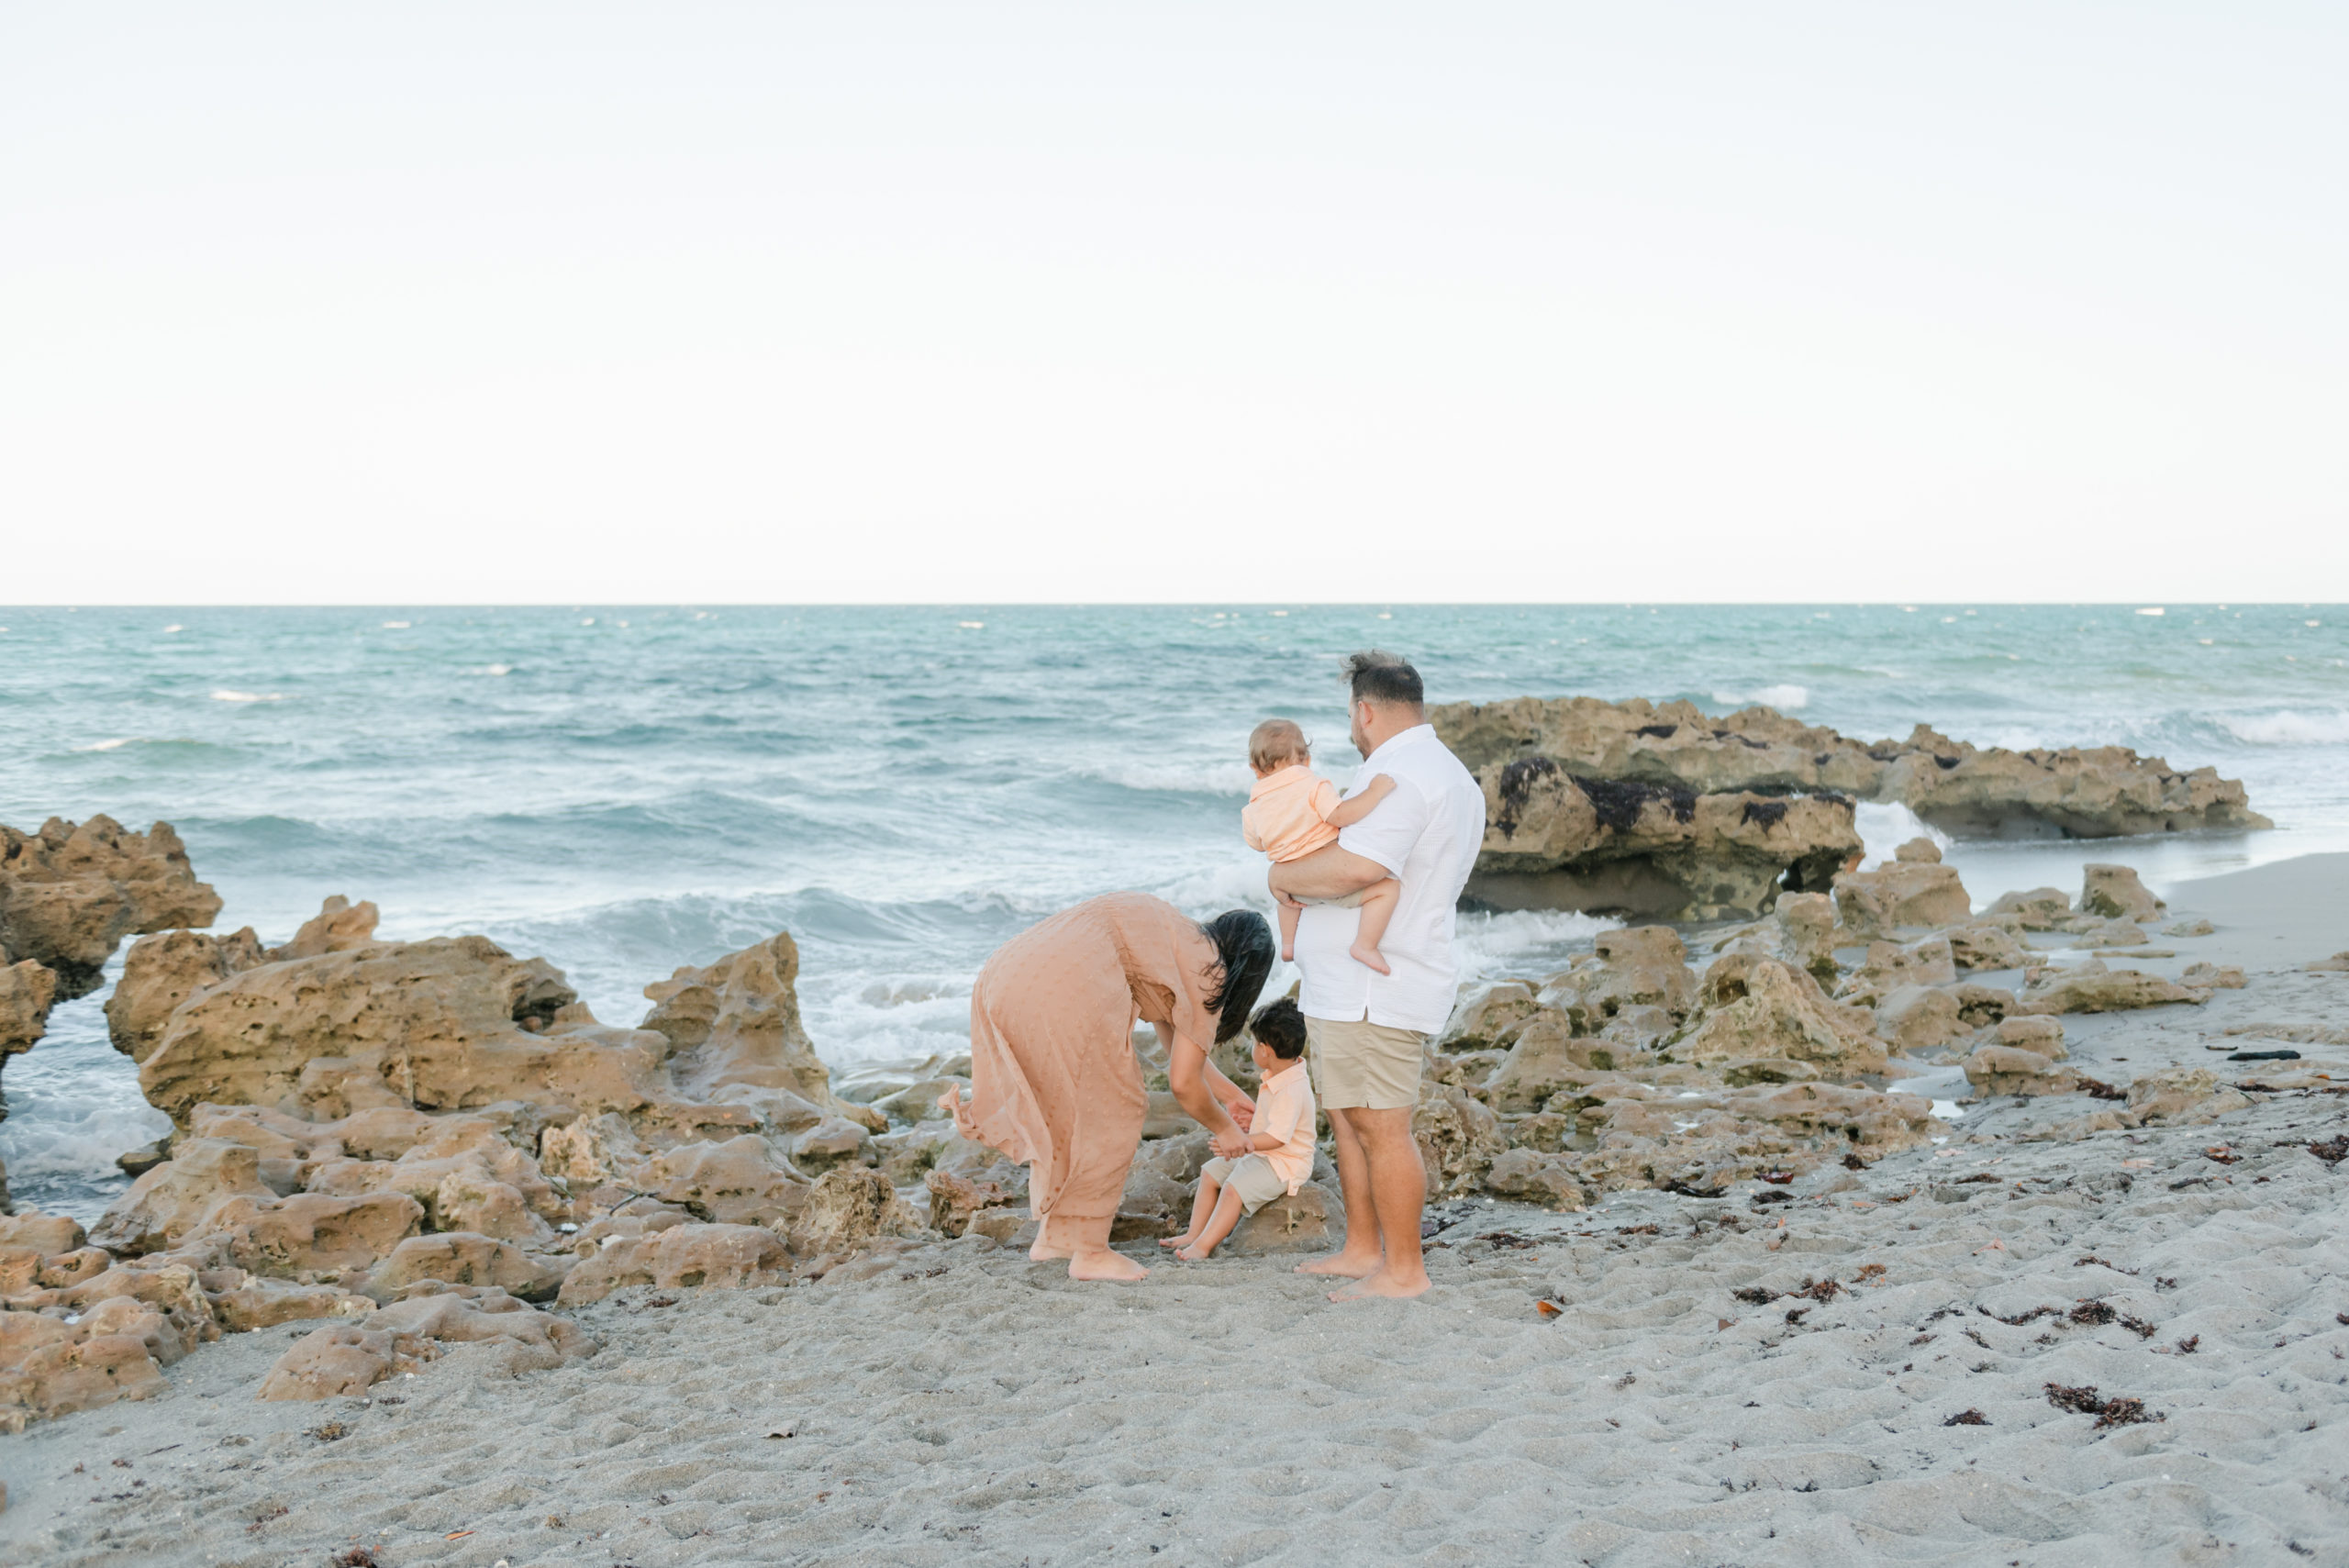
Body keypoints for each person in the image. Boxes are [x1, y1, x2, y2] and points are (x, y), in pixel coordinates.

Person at [1270, 651, 1486, 1301]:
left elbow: (1358, 869)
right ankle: (1364, 1247)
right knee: (1350, 1118)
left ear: (1365, 709)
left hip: (1376, 990)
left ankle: (1404, 1269)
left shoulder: (1406, 772)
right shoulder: (1436, 770)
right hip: (1350, 987)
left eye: (1350, 715)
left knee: (1381, 1126)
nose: (1351, 728)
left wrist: (1281, 878)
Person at [941, 893, 1274, 1282]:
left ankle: (1056, 1239)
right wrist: (1225, 1129)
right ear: (1248, 972)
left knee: (1064, 1112)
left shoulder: (1176, 940)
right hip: (1063, 983)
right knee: (1115, 1107)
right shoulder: (1210, 971)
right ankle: (1092, 1253)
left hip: (1007, 972)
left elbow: (1180, 1051)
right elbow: (1183, 1083)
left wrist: (1232, 1097)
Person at [1161, 997, 1317, 1261]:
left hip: (1284, 1164)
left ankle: (1203, 1245)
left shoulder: (1292, 1088)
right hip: (1263, 1153)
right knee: (1210, 1173)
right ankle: (1193, 1234)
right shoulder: (1281, 1073)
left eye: (1254, 1043)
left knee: (1233, 1188)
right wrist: (1250, 1128)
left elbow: (1278, 1138)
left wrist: (1241, 1142)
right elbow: (1274, 1123)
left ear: (1265, 1050)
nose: (1253, 1048)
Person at [1241, 717, 1400, 973]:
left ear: (1255, 769)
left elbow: (1257, 844)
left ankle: (1289, 945)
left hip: (1295, 890)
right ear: (1306, 760)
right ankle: (1365, 945)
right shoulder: (1313, 785)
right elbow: (1340, 815)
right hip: (1328, 876)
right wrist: (1376, 791)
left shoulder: (1251, 809)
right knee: (1388, 890)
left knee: (1285, 902)